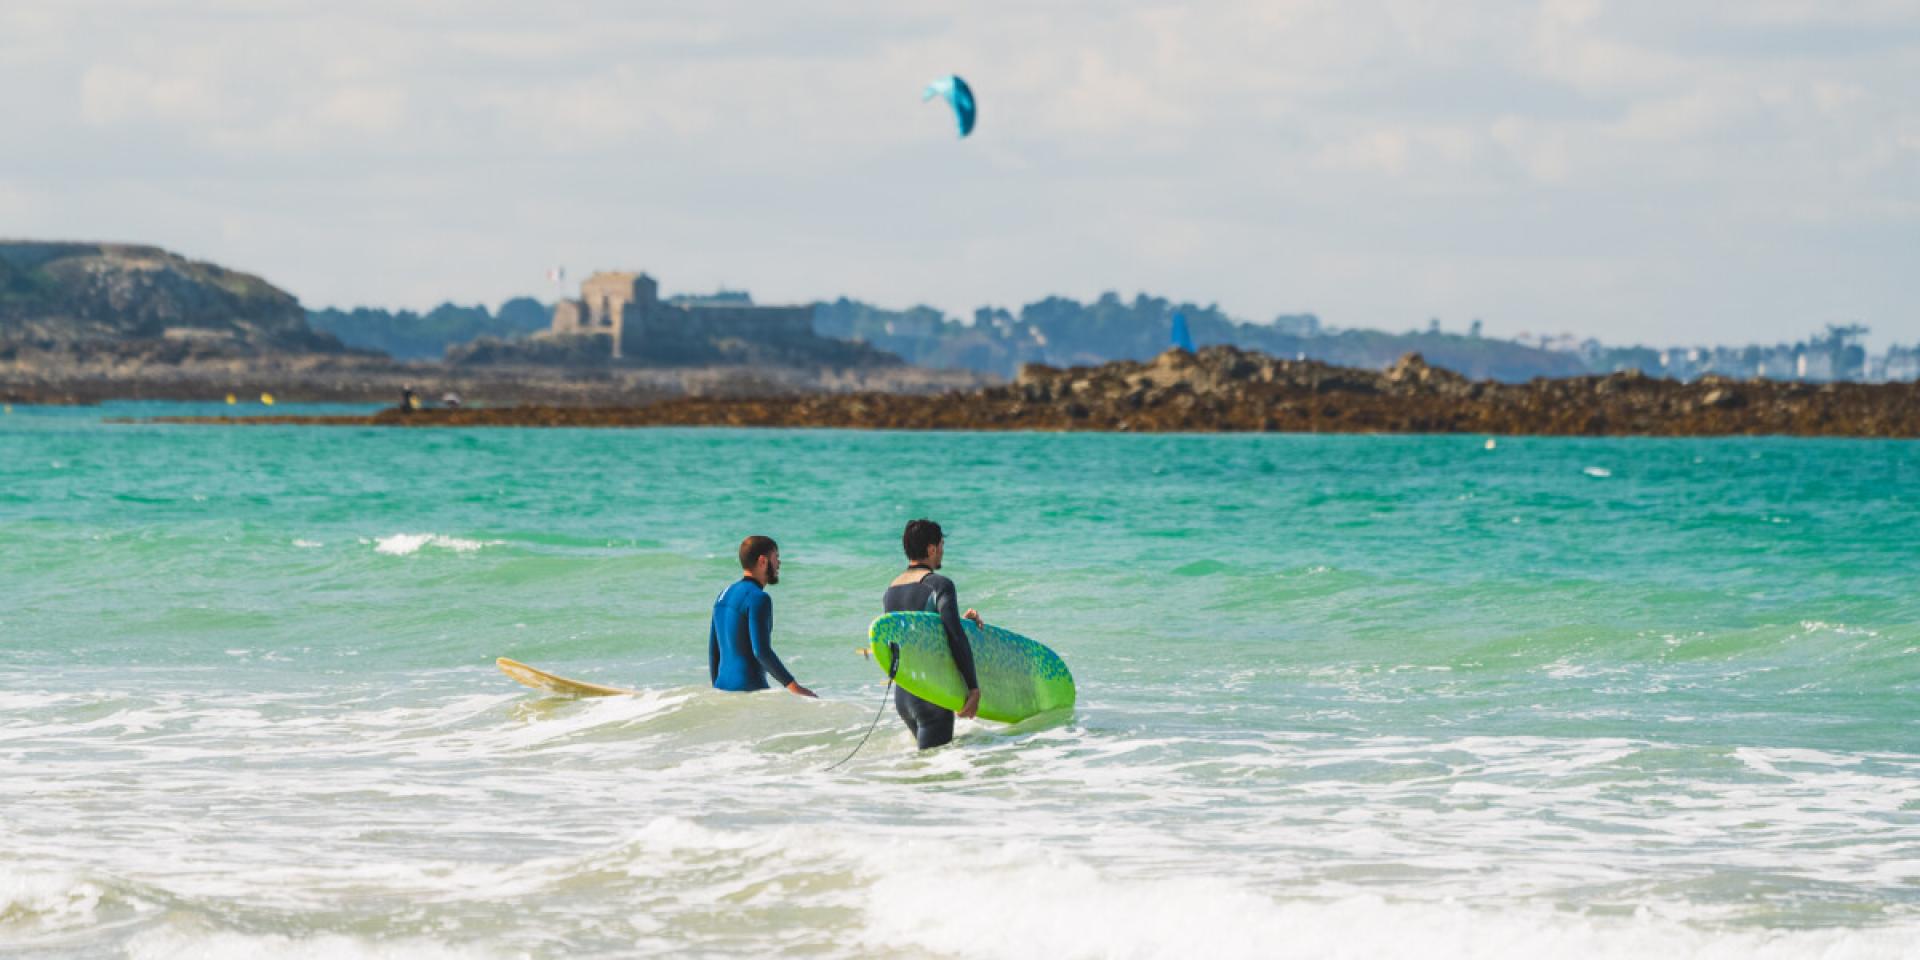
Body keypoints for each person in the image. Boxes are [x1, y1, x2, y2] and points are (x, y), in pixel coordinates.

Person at [882, 519, 981, 749]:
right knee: (936, 776)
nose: (942, 552)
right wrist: (973, 689)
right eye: (942, 545)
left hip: (904, 695)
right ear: (931, 548)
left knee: (928, 766)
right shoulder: (940, 585)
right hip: (931, 694)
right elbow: (954, 637)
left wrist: (964, 623)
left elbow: (915, 636)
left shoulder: (890, 591)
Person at [709, 535, 815, 697]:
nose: (779, 563)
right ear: (763, 561)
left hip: (721, 689)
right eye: (776, 558)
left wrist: (716, 688)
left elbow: (713, 650)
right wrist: (794, 687)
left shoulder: (723, 594)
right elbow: (761, 651)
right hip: (750, 692)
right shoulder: (758, 598)